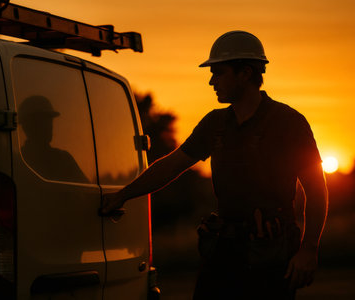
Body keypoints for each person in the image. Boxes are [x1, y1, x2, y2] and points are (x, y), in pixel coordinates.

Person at [102, 30, 328, 299]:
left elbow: (316, 190)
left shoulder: (288, 122)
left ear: (245, 72)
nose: (211, 81)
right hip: (223, 251)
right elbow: (172, 166)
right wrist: (123, 195)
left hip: (271, 253)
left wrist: (309, 250)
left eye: (219, 72)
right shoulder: (214, 124)